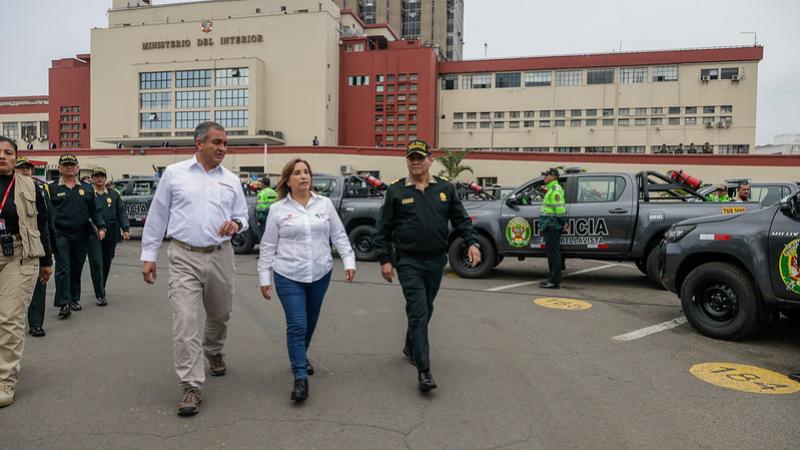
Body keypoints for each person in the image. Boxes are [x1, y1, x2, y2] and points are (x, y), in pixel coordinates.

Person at [140, 121, 248, 417]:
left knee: (220, 313)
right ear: (198, 143)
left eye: (225, 143)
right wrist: (149, 255)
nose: (223, 148)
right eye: (216, 142)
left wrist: (236, 224)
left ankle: (213, 350)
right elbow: (158, 215)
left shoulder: (231, 180)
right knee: (185, 320)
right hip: (183, 255)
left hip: (220, 255)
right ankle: (191, 385)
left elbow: (243, 216)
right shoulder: (175, 174)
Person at [373, 140, 481, 393]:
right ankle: (424, 371)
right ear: (407, 161)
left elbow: (461, 219)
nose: (416, 162)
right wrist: (385, 260)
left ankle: (411, 346)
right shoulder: (396, 191)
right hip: (408, 261)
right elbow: (383, 229)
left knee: (426, 308)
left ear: (430, 160)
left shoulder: (445, 189)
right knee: (419, 312)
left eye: (420, 157)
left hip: (435, 261)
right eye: (412, 158)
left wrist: (472, 243)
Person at [257, 158, 356, 402]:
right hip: (288, 275)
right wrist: (263, 276)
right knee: (297, 325)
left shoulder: (324, 204)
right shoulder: (278, 209)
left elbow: (339, 235)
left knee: (310, 323)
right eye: (297, 173)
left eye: (306, 172)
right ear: (288, 180)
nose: (303, 176)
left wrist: (349, 260)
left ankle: (300, 356)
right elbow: (268, 245)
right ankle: (300, 376)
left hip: (320, 273)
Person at [0, 136, 53, 408]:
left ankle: (5, 379)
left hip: (18, 254)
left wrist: (46, 260)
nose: (3, 156)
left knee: (10, 317)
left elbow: (42, 224)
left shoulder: (32, 187)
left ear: (16, 157)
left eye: (8, 152)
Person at [48, 154, 106, 319]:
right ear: (59, 168)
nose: (69, 167)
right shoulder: (51, 188)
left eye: (72, 165)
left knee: (76, 267)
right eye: (65, 165)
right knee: (63, 267)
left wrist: (101, 226)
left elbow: (95, 211)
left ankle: (74, 298)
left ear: (77, 168)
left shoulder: (87, 189)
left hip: (81, 234)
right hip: (60, 234)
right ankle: (64, 303)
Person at [16, 156, 54, 337]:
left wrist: (48, 256)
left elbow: (45, 224)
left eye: (28, 168)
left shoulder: (39, 191)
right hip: (12, 248)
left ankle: (36, 323)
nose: (25, 171)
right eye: (21, 167)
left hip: (34, 245)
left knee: (38, 285)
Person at [87, 167, 130, 307]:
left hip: (111, 232)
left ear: (105, 178)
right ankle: (100, 294)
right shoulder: (89, 194)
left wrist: (125, 228)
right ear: (92, 178)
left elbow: (121, 212)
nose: (99, 179)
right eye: (96, 176)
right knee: (96, 262)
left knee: (106, 261)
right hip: (93, 232)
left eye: (102, 176)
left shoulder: (114, 194)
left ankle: (101, 286)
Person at [538, 168, 566, 289]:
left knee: (553, 254)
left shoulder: (555, 190)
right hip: (550, 224)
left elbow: (559, 209)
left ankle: (555, 281)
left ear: (553, 177)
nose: (544, 177)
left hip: (552, 224)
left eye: (546, 175)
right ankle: (552, 278)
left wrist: (562, 223)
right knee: (551, 253)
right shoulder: (551, 189)